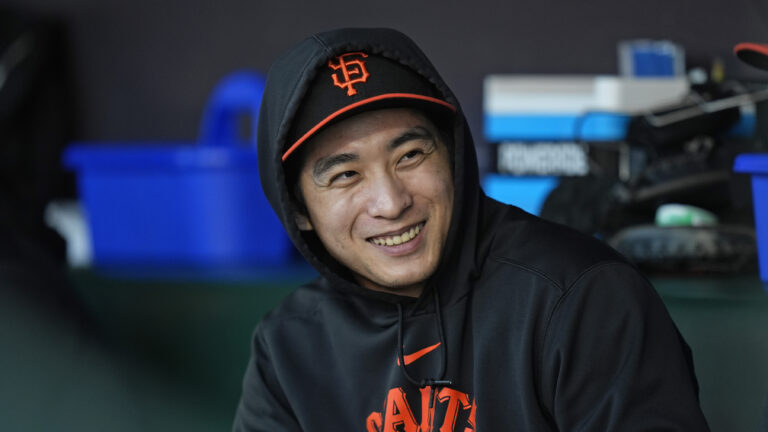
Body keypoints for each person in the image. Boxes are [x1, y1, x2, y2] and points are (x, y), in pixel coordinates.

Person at [233, 27, 709, 431]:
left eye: (411, 155)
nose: (391, 202)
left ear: (453, 154)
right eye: (345, 175)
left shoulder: (582, 297)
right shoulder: (288, 347)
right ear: (298, 210)